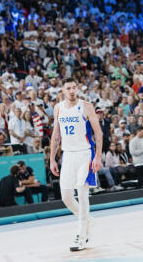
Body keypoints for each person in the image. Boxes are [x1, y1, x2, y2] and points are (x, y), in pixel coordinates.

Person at [49, 78, 103, 252]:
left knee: (82, 192)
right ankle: (87, 219)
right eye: (68, 88)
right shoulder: (58, 108)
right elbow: (56, 136)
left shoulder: (86, 106)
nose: (72, 91)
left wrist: (98, 157)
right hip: (68, 155)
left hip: (85, 154)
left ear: (77, 89)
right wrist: (51, 159)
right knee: (65, 196)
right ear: (63, 91)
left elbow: (98, 133)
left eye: (74, 87)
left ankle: (82, 236)